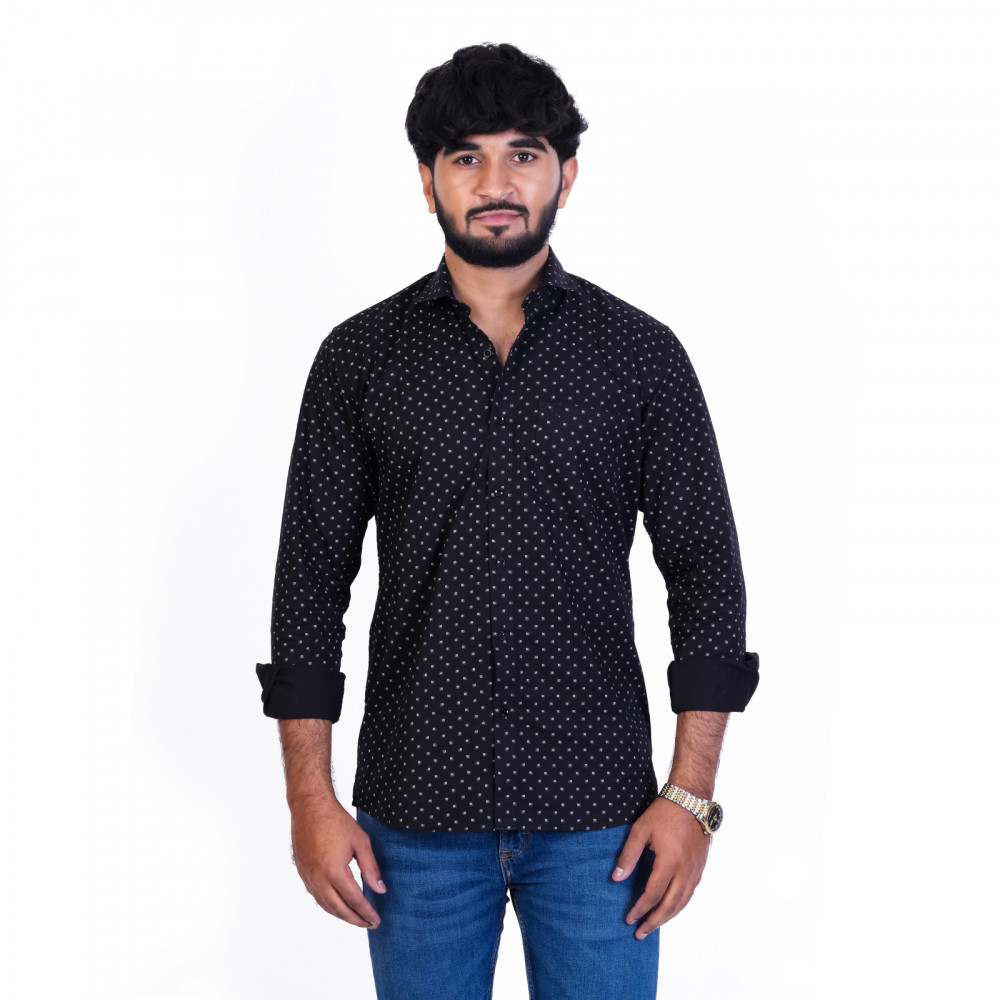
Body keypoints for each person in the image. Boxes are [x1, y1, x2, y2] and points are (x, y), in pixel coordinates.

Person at [255, 42, 759, 1000]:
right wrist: (309, 800)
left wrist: (691, 798)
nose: (496, 183)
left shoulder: (640, 357)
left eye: (523, 153)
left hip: (604, 825)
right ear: (427, 181)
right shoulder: (359, 359)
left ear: (567, 174)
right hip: (414, 822)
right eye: (466, 157)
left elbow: (706, 576)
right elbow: (309, 587)